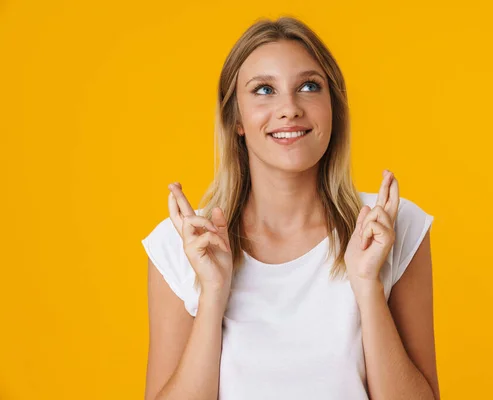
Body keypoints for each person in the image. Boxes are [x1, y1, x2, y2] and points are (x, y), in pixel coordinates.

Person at [141, 16, 439, 400]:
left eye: (309, 86)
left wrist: (367, 287)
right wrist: (213, 293)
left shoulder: (389, 226)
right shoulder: (184, 244)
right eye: (264, 90)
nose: (290, 108)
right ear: (237, 120)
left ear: (332, 107)